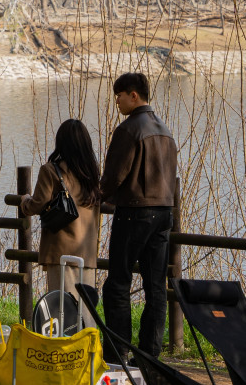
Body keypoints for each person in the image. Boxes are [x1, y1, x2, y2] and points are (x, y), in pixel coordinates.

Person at [100, 72, 178, 361]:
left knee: (117, 283)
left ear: (134, 95)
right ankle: (149, 355)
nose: (117, 101)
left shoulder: (130, 129)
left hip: (134, 212)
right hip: (164, 214)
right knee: (156, 286)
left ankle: (118, 351)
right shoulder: (165, 130)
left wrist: (96, 195)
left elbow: (114, 176)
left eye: (119, 95)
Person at [21, 118, 101, 311]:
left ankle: (65, 342)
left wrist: (24, 201)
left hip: (61, 251)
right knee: (85, 309)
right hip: (87, 252)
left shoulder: (51, 170)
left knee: (62, 309)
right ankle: (86, 340)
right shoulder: (91, 173)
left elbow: (38, 204)